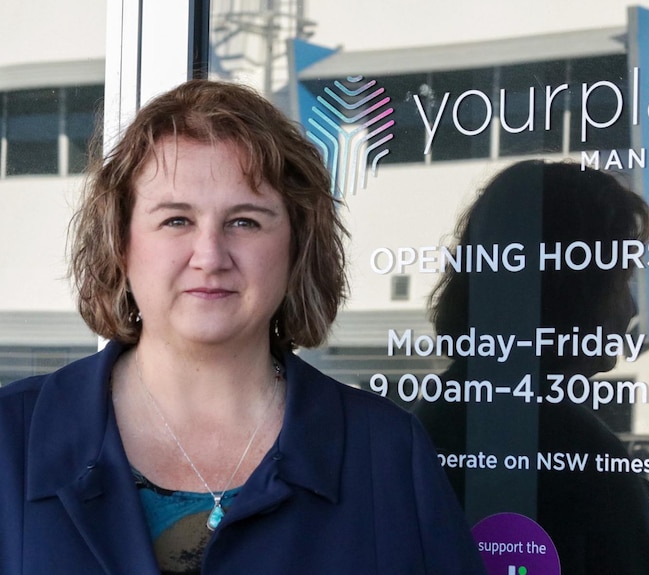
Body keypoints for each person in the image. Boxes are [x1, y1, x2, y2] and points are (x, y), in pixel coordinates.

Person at [0, 80, 486, 574]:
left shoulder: (386, 453)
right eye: (176, 220)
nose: (209, 256)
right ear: (120, 244)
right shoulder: (9, 441)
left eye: (245, 222)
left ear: (297, 248)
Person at [416, 160, 649, 574]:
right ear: (573, 292)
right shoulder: (575, 453)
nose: (631, 310)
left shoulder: (431, 427)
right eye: (620, 281)